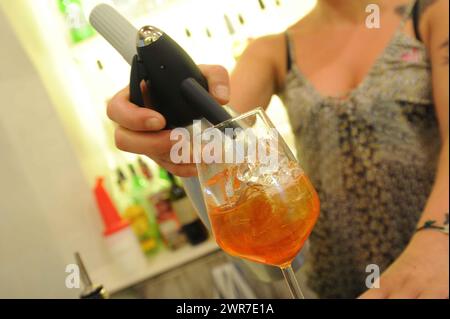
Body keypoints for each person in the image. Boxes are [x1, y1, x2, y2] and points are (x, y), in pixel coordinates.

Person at [106, 0, 448, 298]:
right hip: (335, 283)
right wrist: (171, 122)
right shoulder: (272, 50)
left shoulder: (431, 13)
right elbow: (216, 131)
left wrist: (436, 240)